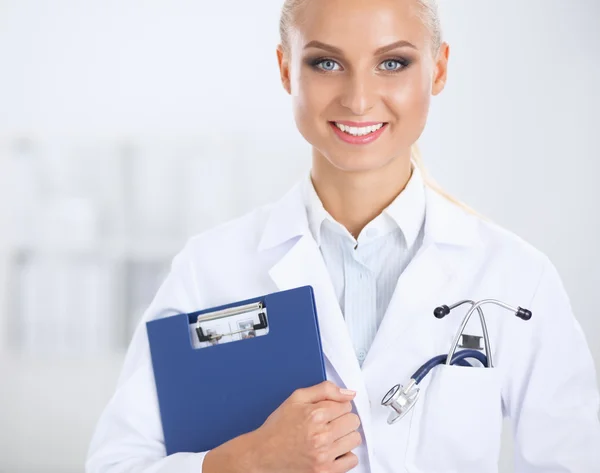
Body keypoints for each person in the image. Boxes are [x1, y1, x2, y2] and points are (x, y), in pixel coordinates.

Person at [86, 0, 600, 472]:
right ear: (287, 69)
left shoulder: (515, 277)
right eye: (326, 63)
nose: (358, 99)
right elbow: (115, 464)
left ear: (438, 68)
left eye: (393, 63)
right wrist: (247, 461)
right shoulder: (210, 268)